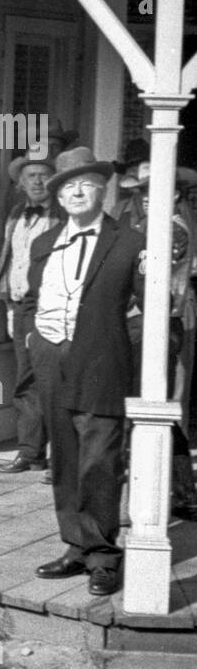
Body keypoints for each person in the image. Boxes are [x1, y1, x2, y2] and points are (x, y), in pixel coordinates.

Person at [27, 147, 145, 597]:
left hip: (100, 363)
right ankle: (75, 546)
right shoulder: (44, 243)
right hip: (51, 360)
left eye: (86, 183)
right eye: (67, 186)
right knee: (66, 459)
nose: (76, 191)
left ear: (102, 189)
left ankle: (103, 557)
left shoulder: (131, 242)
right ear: (58, 196)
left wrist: (116, 344)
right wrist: (35, 340)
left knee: (99, 460)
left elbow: (151, 309)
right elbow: (31, 299)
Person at [117, 161, 197, 520]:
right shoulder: (148, 224)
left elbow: (149, 282)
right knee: (152, 405)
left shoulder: (171, 229)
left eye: (155, 191)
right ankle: (180, 492)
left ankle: (169, 494)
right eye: (142, 192)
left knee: (148, 406)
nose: (147, 198)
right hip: (144, 322)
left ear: (175, 194)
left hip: (159, 322)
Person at [0, 153, 60, 478]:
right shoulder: (15, 213)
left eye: (43, 175)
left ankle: (61, 456)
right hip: (20, 306)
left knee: (55, 379)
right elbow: (8, 259)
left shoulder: (63, 214)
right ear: (21, 183)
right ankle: (30, 452)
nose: (37, 181)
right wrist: (9, 304)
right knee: (26, 379)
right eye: (30, 176)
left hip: (51, 305)